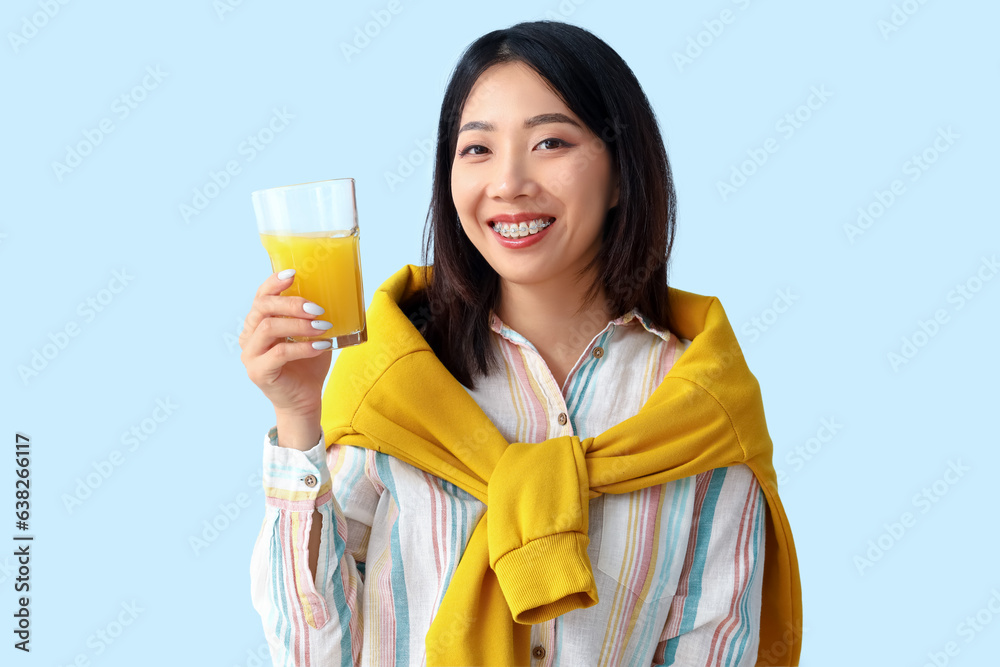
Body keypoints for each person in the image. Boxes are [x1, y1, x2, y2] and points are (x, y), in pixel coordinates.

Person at [242, 20, 801, 667]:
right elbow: (313, 652)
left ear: (622, 176)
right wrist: (297, 418)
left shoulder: (699, 409)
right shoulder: (391, 381)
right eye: (476, 149)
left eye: (550, 142)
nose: (508, 182)